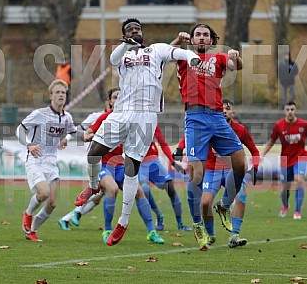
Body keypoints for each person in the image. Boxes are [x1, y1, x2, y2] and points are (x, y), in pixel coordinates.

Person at [85, 18, 200, 246]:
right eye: (130, 29)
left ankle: (123, 223)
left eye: (138, 28)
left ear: (143, 33)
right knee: (92, 153)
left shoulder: (156, 50)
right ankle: (91, 186)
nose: (135, 31)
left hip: (145, 115)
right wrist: (126, 44)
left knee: (131, 169)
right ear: (124, 34)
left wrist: (193, 57)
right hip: (121, 112)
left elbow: (178, 53)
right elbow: (112, 58)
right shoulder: (123, 55)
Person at [170, 24, 247, 249]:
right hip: (195, 118)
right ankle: (196, 224)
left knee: (241, 164)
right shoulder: (184, 57)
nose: (202, 38)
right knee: (197, 175)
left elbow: (236, 66)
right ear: (192, 40)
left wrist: (236, 57)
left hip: (217, 118)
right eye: (198, 35)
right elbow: (165, 53)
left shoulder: (219, 58)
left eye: (206, 35)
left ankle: (224, 205)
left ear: (211, 40)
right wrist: (177, 40)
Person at [58, 88, 164, 244]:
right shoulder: (106, 117)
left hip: (119, 165)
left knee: (139, 192)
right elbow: (87, 133)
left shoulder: (132, 119)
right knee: (112, 189)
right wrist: (90, 136)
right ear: (110, 102)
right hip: (104, 165)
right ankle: (107, 230)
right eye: (115, 97)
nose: (119, 99)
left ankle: (151, 232)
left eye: (122, 96)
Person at [174, 99, 260, 248]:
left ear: (233, 112)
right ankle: (211, 234)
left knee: (242, 195)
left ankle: (234, 235)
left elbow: (254, 150)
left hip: (230, 170)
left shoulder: (240, 130)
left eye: (228, 108)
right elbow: (191, 135)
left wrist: (256, 167)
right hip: (212, 171)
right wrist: (180, 148)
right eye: (222, 108)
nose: (225, 110)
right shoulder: (207, 125)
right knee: (205, 202)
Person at [17, 79, 77, 241]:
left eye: (63, 93)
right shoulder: (40, 114)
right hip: (35, 159)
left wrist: (67, 139)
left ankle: (32, 231)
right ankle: (27, 214)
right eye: (57, 92)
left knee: (52, 203)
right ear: (51, 96)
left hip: (51, 162)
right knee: (43, 193)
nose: (61, 95)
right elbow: (20, 129)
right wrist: (28, 145)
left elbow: (74, 132)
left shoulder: (67, 117)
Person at [139, 124, 191, 231]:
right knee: (144, 189)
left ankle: (180, 224)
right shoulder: (128, 120)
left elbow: (163, 144)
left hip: (154, 162)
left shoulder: (151, 121)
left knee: (171, 189)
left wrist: (173, 163)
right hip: (138, 164)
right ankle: (158, 214)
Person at [262, 101, 307, 219]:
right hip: (285, 159)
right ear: (284, 111)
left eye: (292, 109)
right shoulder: (279, 125)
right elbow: (271, 141)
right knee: (285, 186)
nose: (290, 112)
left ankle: (297, 212)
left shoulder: (303, 124)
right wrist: (261, 155)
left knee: (299, 180)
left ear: (295, 110)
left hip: (301, 157)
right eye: (288, 110)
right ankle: (285, 206)